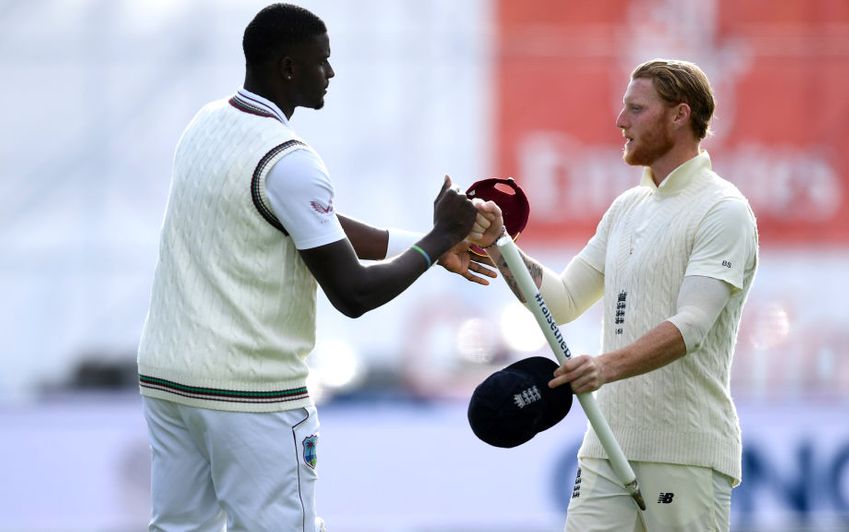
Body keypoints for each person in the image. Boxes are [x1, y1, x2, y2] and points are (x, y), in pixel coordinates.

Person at [137, 4, 498, 530]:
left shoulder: (207, 121)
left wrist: (425, 244)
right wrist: (440, 236)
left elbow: (310, 226)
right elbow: (353, 295)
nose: (331, 73)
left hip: (169, 380)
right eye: (322, 62)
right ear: (288, 68)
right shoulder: (290, 159)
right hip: (251, 397)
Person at [472, 59, 758, 531]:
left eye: (636, 108)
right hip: (607, 445)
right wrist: (500, 245)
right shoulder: (627, 207)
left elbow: (692, 327)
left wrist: (604, 367)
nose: (620, 121)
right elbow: (562, 300)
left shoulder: (723, 209)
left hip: (685, 455)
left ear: (679, 115)